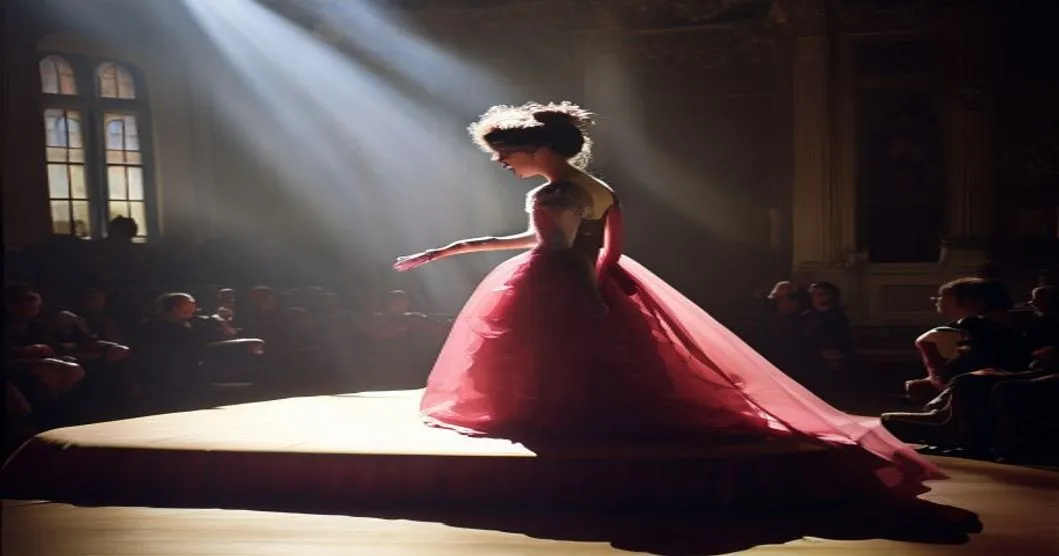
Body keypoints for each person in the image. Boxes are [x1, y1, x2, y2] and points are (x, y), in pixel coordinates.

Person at [394, 101, 944, 496]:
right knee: (596, 361)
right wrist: (459, 247)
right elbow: (607, 244)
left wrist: (585, 294)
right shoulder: (595, 187)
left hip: (560, 279)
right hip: (584, 275)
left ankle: (564, 425)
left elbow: (556, 249)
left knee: (554, 358)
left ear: (535, 149)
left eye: (506, 153)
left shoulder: (557, 190)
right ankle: (580, 417)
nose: (502, 162)